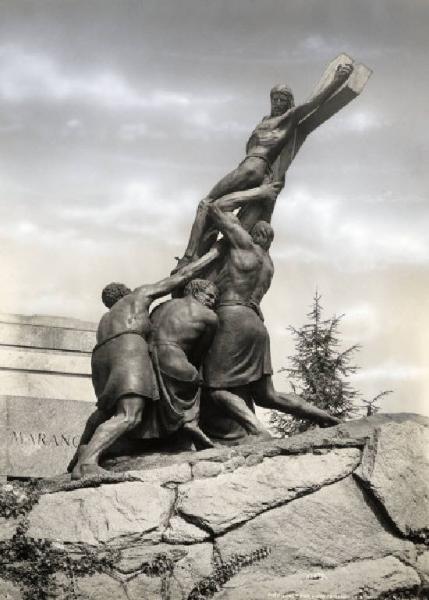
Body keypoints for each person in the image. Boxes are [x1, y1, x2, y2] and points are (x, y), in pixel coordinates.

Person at [199, 190, 340, 441]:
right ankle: (324, 417)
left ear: (251, 233)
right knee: (267, 395)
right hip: (256, 324)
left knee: (215, 388)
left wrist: (259, 192)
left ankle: (257, 431)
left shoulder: (244, 247)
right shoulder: (268, 264)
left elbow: (216, 208)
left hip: (232, 318)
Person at [178, 63, 354, 265]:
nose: (278, 102)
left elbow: (312, 104)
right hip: (249, 166)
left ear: (289, 103)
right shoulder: (264, 120)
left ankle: (188, 257)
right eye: (275, 98)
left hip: (253, 166)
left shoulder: (287, 119)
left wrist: (337, 80)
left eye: (283, 99)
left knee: (206, 203)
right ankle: (200, 253)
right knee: (216, 210)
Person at [69, 250, 219, 479]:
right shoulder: (137, 297)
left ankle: (80, 454)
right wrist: (212, 255)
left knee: (106, 409)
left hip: (101, 356)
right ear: (127, 292)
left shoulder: (106, 320)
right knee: (129, 415)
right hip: (128, 348)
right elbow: (179, 278)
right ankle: (89, 462)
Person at [148, 278, 219, 448]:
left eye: (215, 298)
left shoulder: (160, 307)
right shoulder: (210, 316)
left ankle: (166, 438)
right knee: (195, 379)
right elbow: (199, 352)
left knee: (157, 397)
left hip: (148, 357)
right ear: (195, 292)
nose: (212, 301)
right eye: (209, 296)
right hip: (174, 355)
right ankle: (190, 422)